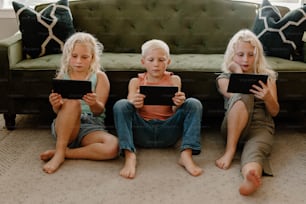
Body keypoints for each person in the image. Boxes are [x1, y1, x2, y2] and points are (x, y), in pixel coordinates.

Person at [113, 39, 203, 179]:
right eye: (151, 60)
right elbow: (129, 104)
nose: (156, 64)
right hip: (142, 130)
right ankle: (129, 155)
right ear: (143, 62)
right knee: (121, 104)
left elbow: (174, 109)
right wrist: (134, 102)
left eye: (161, 60)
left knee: (193, 103)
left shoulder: (174, 80)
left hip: (168, 130)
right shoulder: (136, 81)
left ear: (168, 62)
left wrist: (178, 103)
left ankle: (186, 154)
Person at [40, 32, 119, 174]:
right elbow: (58, 112)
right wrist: (55, 104)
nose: (78, 61)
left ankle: (64, 152)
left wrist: (94, 103)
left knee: (113, 146)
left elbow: (99, 111)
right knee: (73, 103)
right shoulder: (63, 77)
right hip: (66, 126)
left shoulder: (99, 77)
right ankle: (59, 153)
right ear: (67, 56)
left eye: (84, 57)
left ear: (92, 58)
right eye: (74, 56)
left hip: (91, 124)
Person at [215, 29, 279, 195]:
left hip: (260, 127)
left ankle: (250, 177)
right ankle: (230, 150)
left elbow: (274, 112)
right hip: (233, 127)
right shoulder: (224, 78)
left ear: (257, 56)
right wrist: (237, 71)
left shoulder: (267, 78)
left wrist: (268, 98)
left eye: (251, 55)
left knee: (256, 152)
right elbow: (235, 95)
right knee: (243, 93)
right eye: (240, 54)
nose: (245, 59)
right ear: (232, 55)